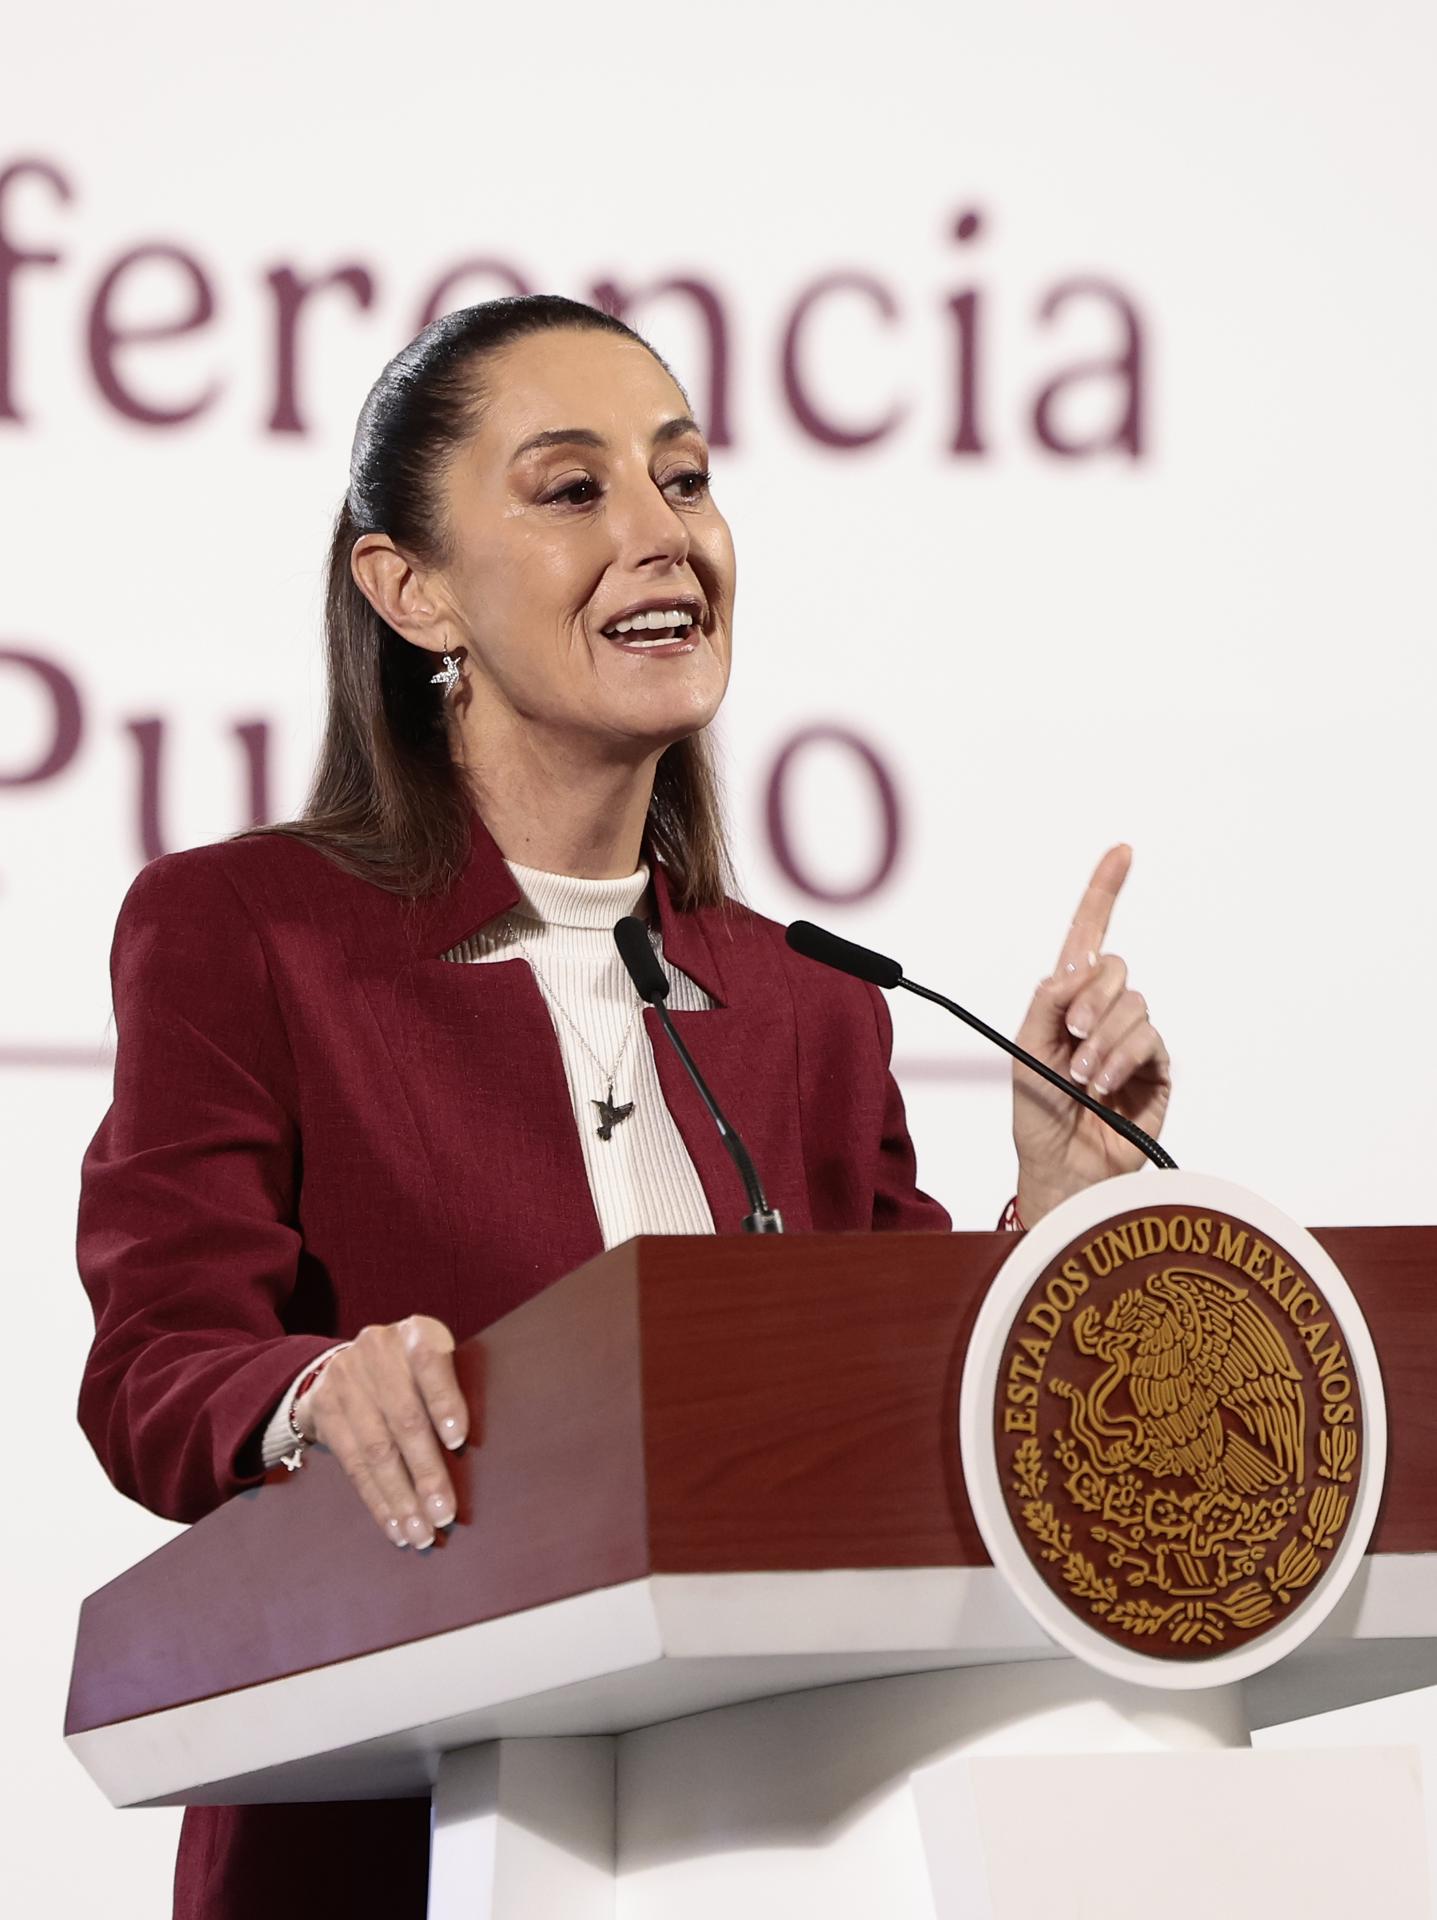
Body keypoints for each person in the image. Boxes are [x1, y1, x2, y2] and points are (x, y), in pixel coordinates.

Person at [75, 294, 1171, 1918]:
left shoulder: (809, 1002)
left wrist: (1054, 1204)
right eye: (574, 490)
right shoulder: (246, 929)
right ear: (412, 589)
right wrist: (318, 1393)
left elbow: (911, 1431)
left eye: (685, 480)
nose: (662, 537)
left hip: (780, 1852)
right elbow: (157, 1367)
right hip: (389, 1837)